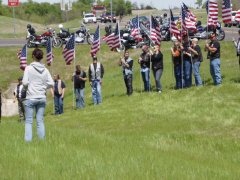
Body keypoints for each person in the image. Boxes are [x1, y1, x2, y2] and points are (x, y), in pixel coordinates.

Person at [22, 48, 54, 142]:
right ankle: (42, 141)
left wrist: (27, 88)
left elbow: (24, 82)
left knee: (29, 121)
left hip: (31, 97)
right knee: (40, 121)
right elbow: (52, 83)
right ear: (41, 57)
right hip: (42, 97)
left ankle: (28, 141)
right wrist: (44, 87)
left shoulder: (28, 68)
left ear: (33, 56)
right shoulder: (45, 69)